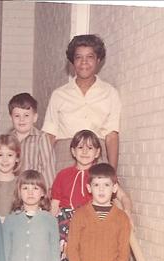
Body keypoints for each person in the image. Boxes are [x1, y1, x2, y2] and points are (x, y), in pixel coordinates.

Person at [46, 129, 132, 261]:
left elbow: (123, 197)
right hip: (65, 228)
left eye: (90, 148)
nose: (85, 152)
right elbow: (54, 207)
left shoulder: (100, 177)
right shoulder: (63, 175)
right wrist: (52, 235)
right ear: (73, 151)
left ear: (98, 153)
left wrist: (128, 214)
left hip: (91, 229)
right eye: (80, 147)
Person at [42, 34, 121, 170]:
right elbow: (49, 135)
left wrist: (112, 172)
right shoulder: (59, 95)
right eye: (79, 57)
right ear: (73, 61)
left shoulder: (110, 93)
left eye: (90, 57)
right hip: (64, 159)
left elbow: (112, 136)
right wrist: (44, 170)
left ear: (98, 60)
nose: (84, 62)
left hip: (97, 158)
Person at [7, 93, 55, 190]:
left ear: (35, 117)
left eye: (26, 115)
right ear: (10, 118)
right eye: (17, 116)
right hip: (12, 189)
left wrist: (48, 191)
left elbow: (48, 168)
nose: (22, 120)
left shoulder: (41, 138)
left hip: (34, 190)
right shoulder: (7, 140)